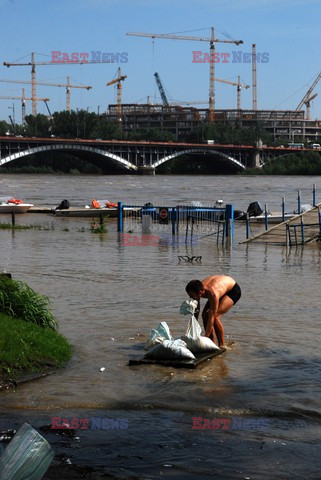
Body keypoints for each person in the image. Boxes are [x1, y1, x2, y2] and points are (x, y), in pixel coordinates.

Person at [185, 275, 241, 349]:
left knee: (215, 316)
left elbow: (211, 317)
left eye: (191, 295)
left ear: (200, 292)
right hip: (220, 288)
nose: (190, 298)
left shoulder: (212, 294)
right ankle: (211, 342)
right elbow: (196, 309)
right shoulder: (197, 289)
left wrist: (204, 338)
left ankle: (222, 345)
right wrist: (193, 325)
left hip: (232, 290)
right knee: (204, 314)